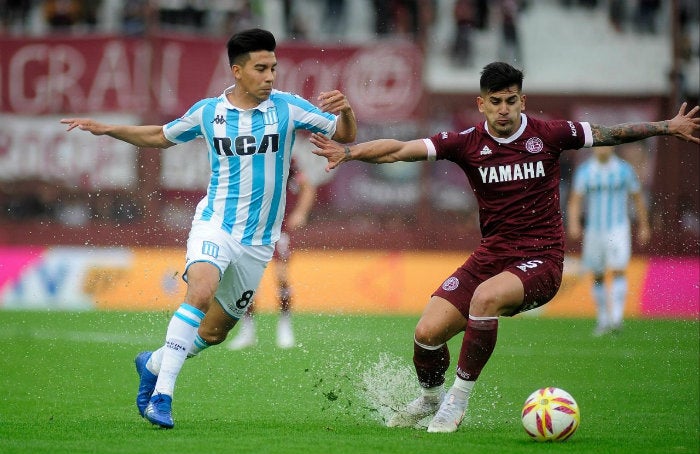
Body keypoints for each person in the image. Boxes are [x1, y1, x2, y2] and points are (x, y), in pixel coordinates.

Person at [309, 61, 700, 433]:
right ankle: (431, 398)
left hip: (541, 260)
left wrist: (667, 126)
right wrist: (349, 151)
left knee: (483, 299)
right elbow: (400, 149)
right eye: (495, 101)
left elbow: (610, 133)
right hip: (492, 257)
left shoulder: (548, 134)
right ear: (482, 104)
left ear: (522, 101)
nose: (503, 109)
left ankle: (457, 402)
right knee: (427, 334)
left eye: (511, 100)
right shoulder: (465, 142)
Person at [60, 28, 356, 429]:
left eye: (273, 68)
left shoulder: (289, 107)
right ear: (237, 71)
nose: (270, 76)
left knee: (215, 333)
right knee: (199, 291)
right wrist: (107, 128)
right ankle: (162, 397)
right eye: (261, 68)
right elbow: (159, 137)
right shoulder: (208, 113)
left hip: (258, 243)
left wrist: (348, 111)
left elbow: (344, 135)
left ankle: (152, 363)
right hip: (215, 223)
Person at [227, 140, 331, 350]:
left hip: (277, 229)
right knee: (247, 281)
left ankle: (285, 327)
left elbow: (307, 186)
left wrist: (301, 213)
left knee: (281, 276)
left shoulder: (285, 160)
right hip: (251, 229)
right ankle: (248, 330)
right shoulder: (244, 160)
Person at [567, 146, 650, 336]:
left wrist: (644, 225)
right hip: (594, 230)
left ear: (612, 146)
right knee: (597, 274)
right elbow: (575, 199)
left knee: (618, 269)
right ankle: (603, 319)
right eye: (598, 145)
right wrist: (573, 222)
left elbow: (637, 197)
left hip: (618, 228)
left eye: (605, 144)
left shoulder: (624, 169)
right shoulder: (585, 170)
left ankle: (617, 318)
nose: (601, 149)